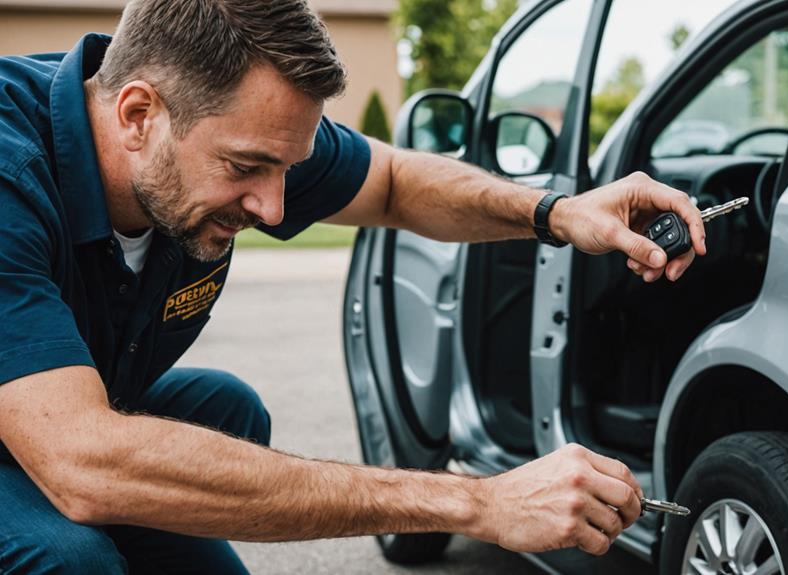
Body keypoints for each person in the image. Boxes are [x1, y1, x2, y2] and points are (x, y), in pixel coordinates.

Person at [0, 1, 706, 572]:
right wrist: (476, 503)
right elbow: (85, 461)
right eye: (247, 169)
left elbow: (395, 181)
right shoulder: (12, 171)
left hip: (44, 414)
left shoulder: (242, 129)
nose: (275, 209)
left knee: (223, 412)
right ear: (137, 115)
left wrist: (557, 212)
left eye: (287, 170)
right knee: (70, 558)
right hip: (58, 443)